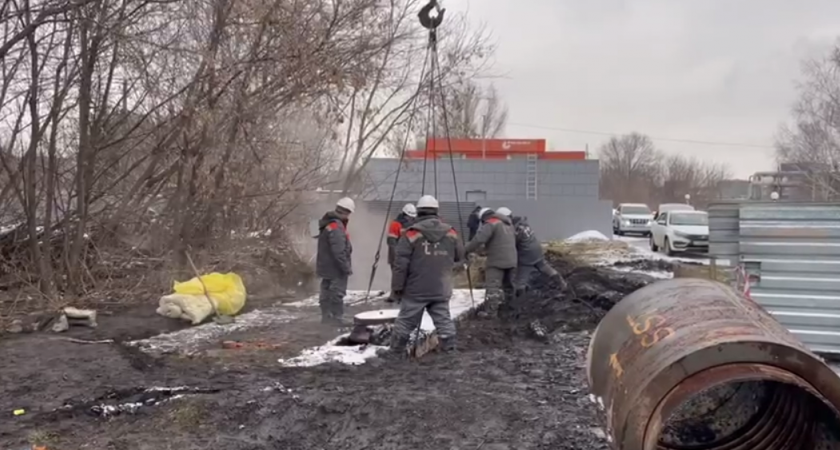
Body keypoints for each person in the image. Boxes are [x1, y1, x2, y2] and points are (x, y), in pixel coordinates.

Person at [387, 195, 464, 356]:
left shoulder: (411, 234)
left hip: (416, 289)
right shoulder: (451, 232)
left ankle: (395, 353)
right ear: (436, 211)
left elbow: (400, 265)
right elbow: (458, 256)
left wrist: (397, 288)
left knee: (405, 321)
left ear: (419, 212)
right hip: (441, 287)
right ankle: (450, 351)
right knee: (443, 320)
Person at [496, 207, 568, 295]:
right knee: (544, 267)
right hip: (536, 250)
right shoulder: (522, 223)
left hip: (526, 255)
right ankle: (562, 284)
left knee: (520, 280)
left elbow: (511, 243)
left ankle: (519, 301)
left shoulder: (514, 229)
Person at [464, 207, 517, 315]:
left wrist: (466, 249)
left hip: (497, 261)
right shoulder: (508, 224)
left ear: (483, 218)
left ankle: (491, 313)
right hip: (512, 260)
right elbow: (499, 241)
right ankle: (511, 310)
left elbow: (479, 239)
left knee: (492, 287)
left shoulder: (491, 223)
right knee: (509, 287)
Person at [316, 197, 355, 326]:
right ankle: (336, 320)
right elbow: (339, 251)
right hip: (336, 268)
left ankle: (326, 318)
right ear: (347, 212)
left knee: (326, 293)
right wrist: (346, 268)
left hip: (326, 267)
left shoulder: (328, 222)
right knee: (336, 294)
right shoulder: (337, 226)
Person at [386, 203, 417, 302]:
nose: (410, 219)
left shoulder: (414, 225)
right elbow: (391, 242)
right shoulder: (395, 224)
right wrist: (396, 257)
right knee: (397, 276)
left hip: (408, 255)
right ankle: (395, 295)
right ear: (404, 214)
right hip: (396, 254)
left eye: (412, 217)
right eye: (409, 217)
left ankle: (405, 296)